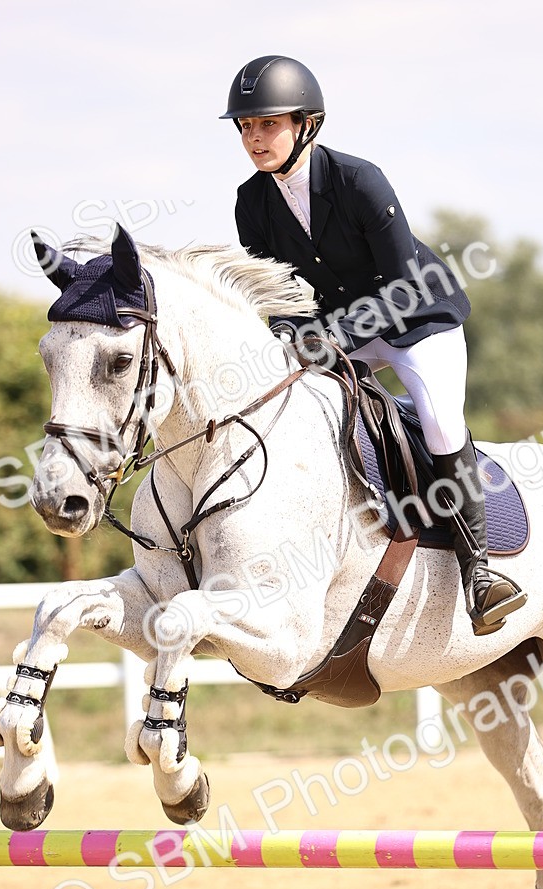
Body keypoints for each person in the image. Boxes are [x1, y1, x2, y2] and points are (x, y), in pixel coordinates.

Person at [220, 54, 526, 635]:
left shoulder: (359, 181)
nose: (254, 138)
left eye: (267, 124)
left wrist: (327, 337)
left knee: (437, 421)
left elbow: (404, 288)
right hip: (339, 329)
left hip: (416, 321)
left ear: (306, 123)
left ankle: (479, 573)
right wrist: (286, 334)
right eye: (246, 127)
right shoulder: (251, 201)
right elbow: (278, 291)